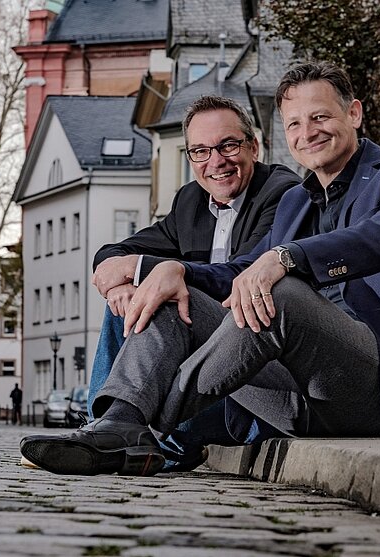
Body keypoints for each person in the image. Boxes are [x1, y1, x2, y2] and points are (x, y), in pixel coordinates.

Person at [20, 61, 380, 477]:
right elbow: (240, 271)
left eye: (320, 117)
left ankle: (137, 426)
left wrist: (286, 257)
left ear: (353, 113)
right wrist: (173, 271)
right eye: (294, 123)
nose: (307, 132)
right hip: (296, 396)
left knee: (283, 295)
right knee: (169, 296)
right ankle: (120, 420)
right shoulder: (298, 200)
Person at [87, 95, 299, 470]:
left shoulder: (283, 193)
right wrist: (120, 280)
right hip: (195, 364)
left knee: (164, 294)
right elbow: (117, 250)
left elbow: (242, 276)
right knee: (138, 294)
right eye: (200, 151)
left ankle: (132, 437)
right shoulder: (191, 201)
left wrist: (164, 271)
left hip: (253, 365)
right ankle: (105, 426)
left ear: (254, 146)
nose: (215, 162)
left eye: (228, 145)